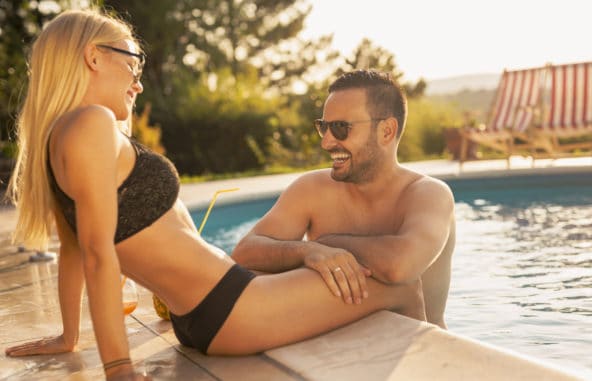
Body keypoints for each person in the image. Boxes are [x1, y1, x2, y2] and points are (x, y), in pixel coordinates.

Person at [3, 10, 424, 380]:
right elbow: (95, 253)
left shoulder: (60, 139)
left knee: (339, 265)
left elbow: (74, 249)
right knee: (405, 285)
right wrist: (119, 368)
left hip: (206, 313)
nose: (138, 84)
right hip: (235, 309)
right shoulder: (91, 124)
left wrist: (70, 335)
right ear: (93, 57)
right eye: (134, 63)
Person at [232, 70, 456, 329]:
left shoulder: (428, 194)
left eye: (340, 128)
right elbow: (244, 252)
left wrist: (329, 243)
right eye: (323, 127)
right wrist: (308, 251)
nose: (327, 142)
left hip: (419, 350)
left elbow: (401, 267)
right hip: (338, 349)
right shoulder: (311, 189)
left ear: (386, 131)